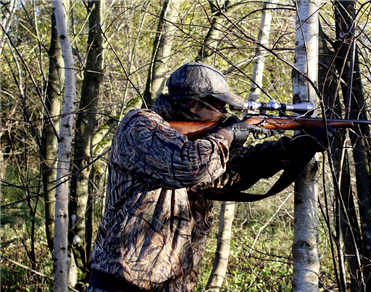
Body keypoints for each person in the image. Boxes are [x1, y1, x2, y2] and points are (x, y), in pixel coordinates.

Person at [88, 62, 327, 292]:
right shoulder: (140, 125)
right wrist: (227, 136)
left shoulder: (196, 144)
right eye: (218, 106)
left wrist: (292, 148)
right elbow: (189, 166)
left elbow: (232, 174)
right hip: (121, 286)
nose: (223, 113)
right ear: (192, 104)